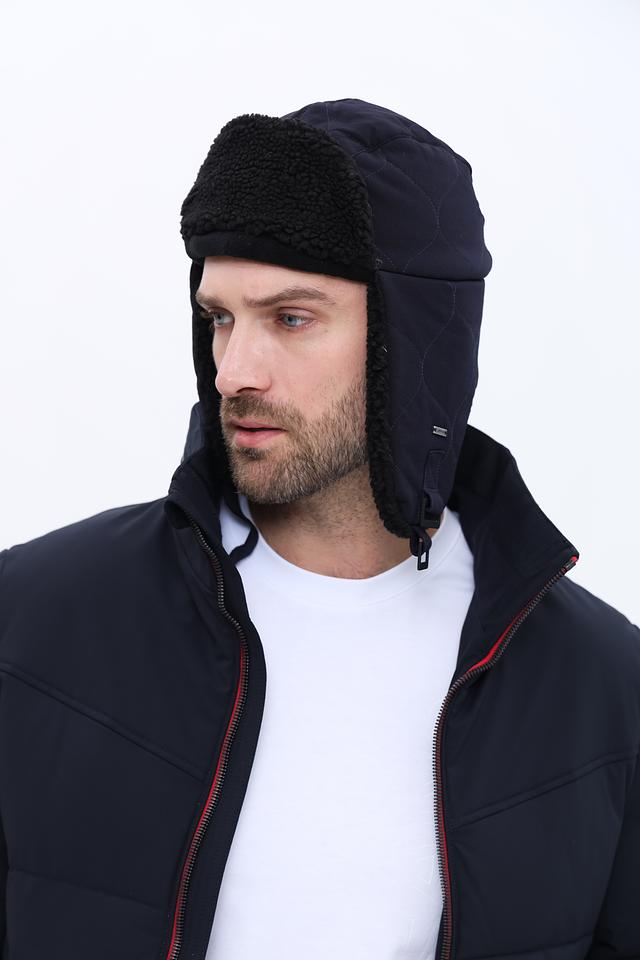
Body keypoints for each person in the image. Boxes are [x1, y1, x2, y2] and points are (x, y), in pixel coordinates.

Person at [0, 98, 638, 960]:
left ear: (415, 343)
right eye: (220, 318)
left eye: (290, 319)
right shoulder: (32, 621)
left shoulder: (600, 685)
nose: (234, 371)